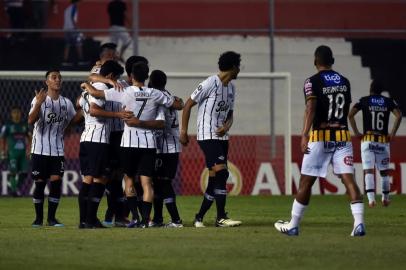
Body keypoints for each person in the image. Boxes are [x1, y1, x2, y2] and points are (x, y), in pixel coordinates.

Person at [274, 45, 366, 237]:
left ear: (315, 62)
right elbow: (344, 109)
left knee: (306, 182)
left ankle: (293, 225)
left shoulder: (311, 82)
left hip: (320, 138)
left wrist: (304, 133)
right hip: (342, 137)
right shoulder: (345, 81)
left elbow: (310, 108)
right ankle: (359, 224)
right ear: (332, 61)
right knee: (349, 180)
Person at [80, 62, 184, 228]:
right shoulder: (155, 94)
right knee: (147, 183)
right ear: (146, 76)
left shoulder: (124, 91)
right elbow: (177, 105)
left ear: (131, 77)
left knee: (128, 180)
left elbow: (96, 93)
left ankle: (135, 217)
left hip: (128, 143)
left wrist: (86, 84)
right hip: (148, 144)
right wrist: (177, 101)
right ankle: (144, 220)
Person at [180, 51, 242, 228]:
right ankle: (221, 217)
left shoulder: (231, 88)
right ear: (232, 67)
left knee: (215, 178)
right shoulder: (209, 83)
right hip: (207, 135)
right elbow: (188, 104)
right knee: (222, 172)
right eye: (238, 67)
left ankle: (199, 217)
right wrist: (183, 132)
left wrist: (227, 126)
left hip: (222, 137)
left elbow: (230, 114)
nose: (239, 70)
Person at [77, 60, 133, 229]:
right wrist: (118, 114)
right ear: (110, 76)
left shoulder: (90, 88)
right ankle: (90, 219)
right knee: (100, 179)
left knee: (87, 180)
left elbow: (80, 104)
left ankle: (85, 221)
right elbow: (94, 110)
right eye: (116, 77)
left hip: (86, 137)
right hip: (98, 139)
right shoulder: (101, 88)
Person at [28, 69, 81, 227]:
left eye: (59, 77)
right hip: (39, 149)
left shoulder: (66, 103)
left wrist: (84, 110)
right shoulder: (39, 100)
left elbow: (73, 119)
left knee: (56, 182)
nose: (57, 80)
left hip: (57, 150)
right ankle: (38, 219)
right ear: (47, 82)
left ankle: (51, 219)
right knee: (40, 183)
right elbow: (30, 120)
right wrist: (38, 104)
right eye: (54, 77)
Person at [348, 80, 402, 207]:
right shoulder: (388, 102)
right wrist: (392, 134)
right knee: (384, 172)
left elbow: (350, 115)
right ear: (381, 90)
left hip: (367, 140)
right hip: (383, 141)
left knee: (368, 171)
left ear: (370, 89)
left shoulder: (364, 100)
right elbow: (399, 116)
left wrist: (356, 132)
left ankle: (371, 200)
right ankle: (385, 198)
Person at [148, 70, 183, 228]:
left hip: (164, 147)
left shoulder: (157, 97)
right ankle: (157, 219)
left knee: (163, 183)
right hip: (173, 146)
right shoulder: (169, 95)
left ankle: (176, 220)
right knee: (158, 182)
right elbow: (179, 103)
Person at [0, 107, 31, 197]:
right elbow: (2, 138)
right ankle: (14, 191)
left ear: (21, 114)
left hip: (23, 154)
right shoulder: (7, 126)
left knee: (24, 173)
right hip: (12, 153)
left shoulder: (24, 125)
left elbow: (30, 138)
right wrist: (2, 151)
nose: (16, 114)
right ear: (11, 114)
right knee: (13, 171)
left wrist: (30, 149)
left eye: (18, 112)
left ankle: (15, 187)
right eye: (14, 112)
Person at [62, 0, 85, 66]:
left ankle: (65, 61)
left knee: (67, 45)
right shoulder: (74, 7)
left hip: (66, 28)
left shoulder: (67, 9)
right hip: (72, 28)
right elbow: (73, 18)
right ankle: (81, 60)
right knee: (78, 43)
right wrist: (77, 28)